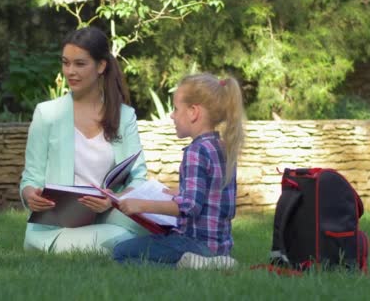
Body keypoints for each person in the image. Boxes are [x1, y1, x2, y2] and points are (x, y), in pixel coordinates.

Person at [20, 26, 149, 253]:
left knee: (159, 226)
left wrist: (113, 200)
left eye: (80, 64)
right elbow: (31, 177)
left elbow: (138, 179)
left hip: (107, 215)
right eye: (65, 62)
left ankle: (188, 255)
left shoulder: (124, 116)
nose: (70, 71)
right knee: (123, 240)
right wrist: (30, 194)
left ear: (101, 66)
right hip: (56, 226)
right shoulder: (46, 114)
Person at [113, 73, 245, 269]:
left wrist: (141, 205)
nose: (172, 115)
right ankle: (212, 263)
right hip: (220, 245)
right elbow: (215, 195)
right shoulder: (223, 147)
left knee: (121, 254)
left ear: (193, 112)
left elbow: (190, 206)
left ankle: (193, 266)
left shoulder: (196, 151)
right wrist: (180, 191)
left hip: (193, 243)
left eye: (176, 109)